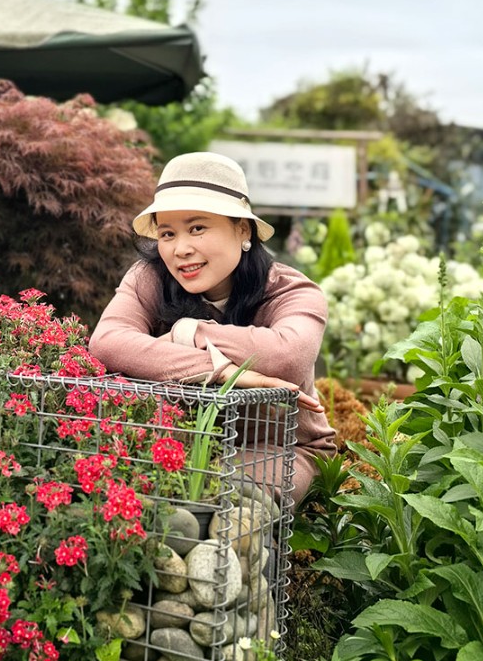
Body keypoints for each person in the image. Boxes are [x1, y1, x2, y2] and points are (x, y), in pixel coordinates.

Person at [88, 151, 337, 506]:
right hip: (181, 444)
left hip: (279, 449)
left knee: (223, 502)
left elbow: (287, 357)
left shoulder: (292, 291)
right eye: (168, 233)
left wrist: (187, 332)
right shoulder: (150, 278)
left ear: (242, 229)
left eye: (197, 228)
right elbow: (108, 342)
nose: (181, 249)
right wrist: (217, 371)